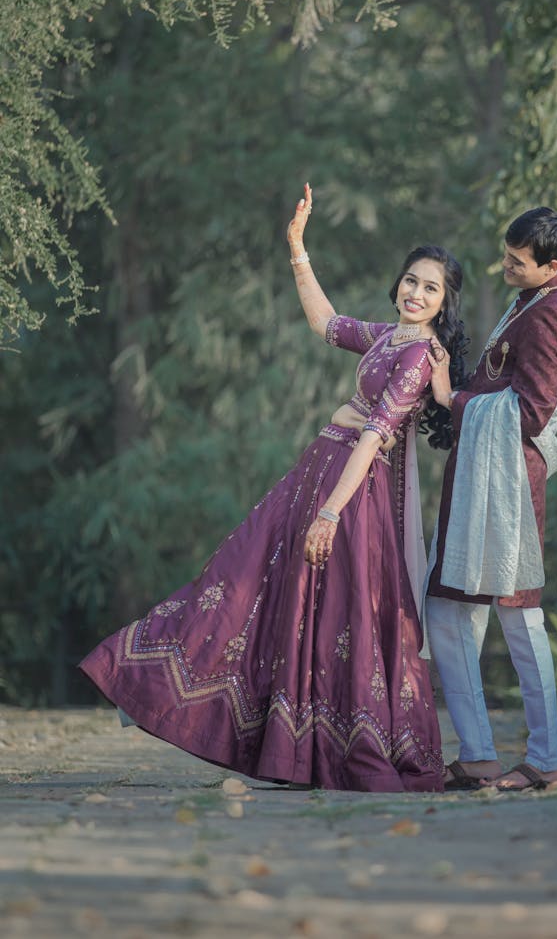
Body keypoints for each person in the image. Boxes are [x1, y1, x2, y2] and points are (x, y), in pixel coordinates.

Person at [80, 183, 468, 793]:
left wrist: (330, 516)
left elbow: (372, 438)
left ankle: (307, 738)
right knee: (249, 575)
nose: (416, 293)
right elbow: (326, 322)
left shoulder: (419, 355)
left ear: (444, 303)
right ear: (398, 285)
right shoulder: (390, 337)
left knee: (315, 603)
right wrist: (298, 248)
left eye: (430, 288)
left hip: (351, 494)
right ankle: (157, 684)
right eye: (411, 281)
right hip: (319, 471)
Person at [424, 207, 557, 791]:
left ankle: (542, 759)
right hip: (488, 475)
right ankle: (481, 754)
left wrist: (450, 399)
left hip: (509, 482)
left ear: (552, 266)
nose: (506, 267)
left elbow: (532, 411)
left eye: (517, 262)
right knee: (450, 609)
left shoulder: (552, 314)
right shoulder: (533, 301)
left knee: (519, 618)